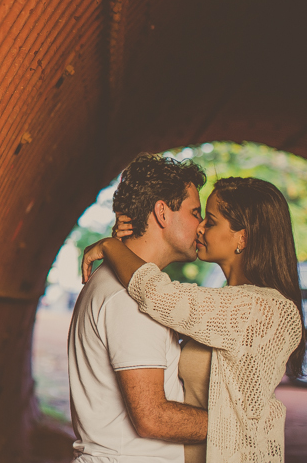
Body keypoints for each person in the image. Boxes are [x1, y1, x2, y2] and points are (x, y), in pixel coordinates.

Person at [83, 175, 306, 463]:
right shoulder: (224, 303)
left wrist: (113, 247)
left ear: (243, 237)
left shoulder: (264, 308)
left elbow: (158, 294)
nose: (199, 227)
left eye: (210, 221)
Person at [67, 153, 209, 463]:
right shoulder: (129, 297)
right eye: (195, 212)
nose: (201, 225)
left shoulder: (133, 285)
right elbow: (152, 417)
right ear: (162, 212)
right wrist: (239, 424)